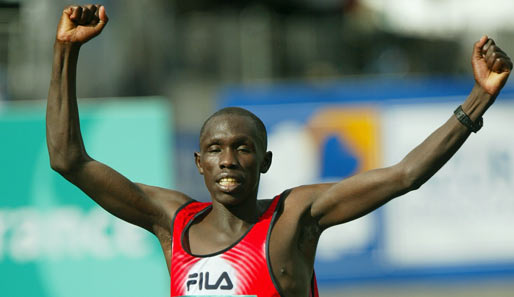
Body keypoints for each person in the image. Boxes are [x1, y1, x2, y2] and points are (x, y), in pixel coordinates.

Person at [46, 4, 512, 297]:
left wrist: (478, 98)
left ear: (265, 161)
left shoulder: (294, 217)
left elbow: (405, 174)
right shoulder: (173, 222)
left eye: (243, 148)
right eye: (215, 149)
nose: (228, 160)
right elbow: (68, 160)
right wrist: (66, 51)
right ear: (198, 163)